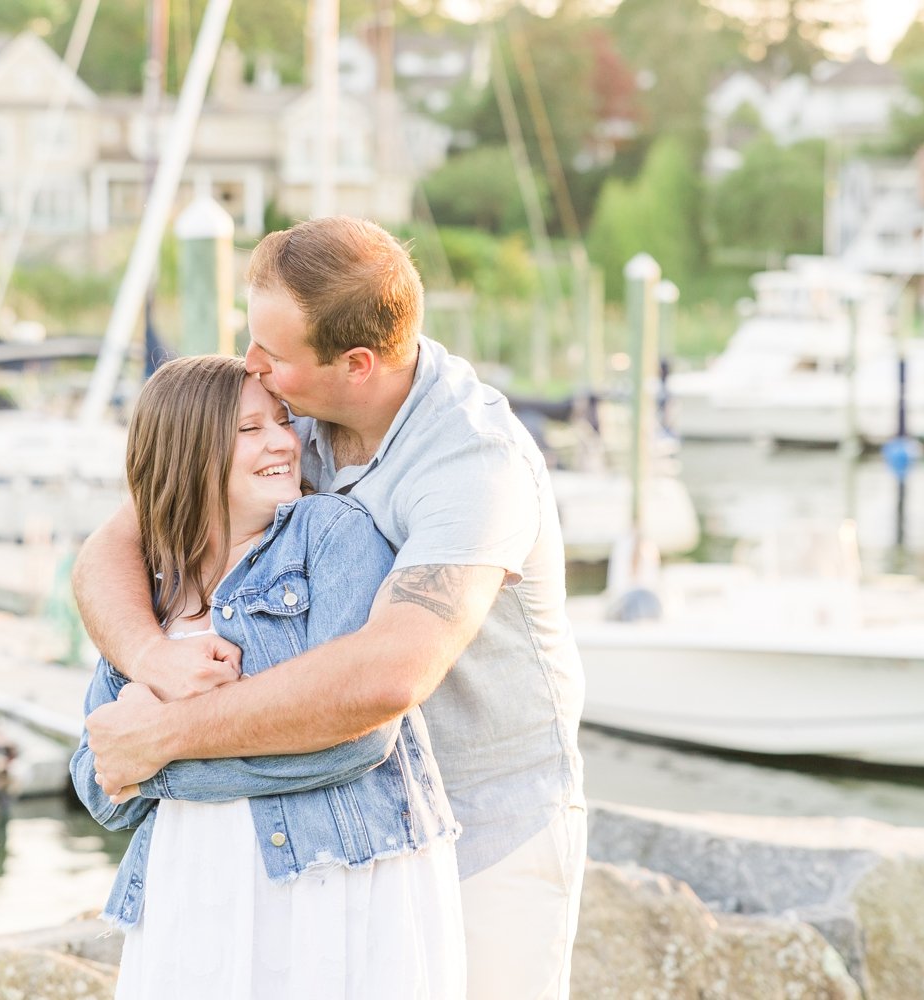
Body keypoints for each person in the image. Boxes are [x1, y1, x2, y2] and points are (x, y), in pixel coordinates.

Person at [77, 216, 587, 1000]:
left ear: (356, 364)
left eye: (272, 355)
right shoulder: (291, 414)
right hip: (333, 825)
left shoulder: (473, 466)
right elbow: (108, 552)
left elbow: (387, 679)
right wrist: (153, 662)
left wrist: (163, 737)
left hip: (489, 830)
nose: (251, 365)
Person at [69, 354, 466, 999]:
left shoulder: (330, 534)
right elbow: (98, 779)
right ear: (189, 451)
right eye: (250, 429)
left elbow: (356, 739)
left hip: (332, 877)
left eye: (281, 422)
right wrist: (132, 739)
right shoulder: (150, 589)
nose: (285, 441)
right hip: (190, 891)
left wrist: (157, 748)